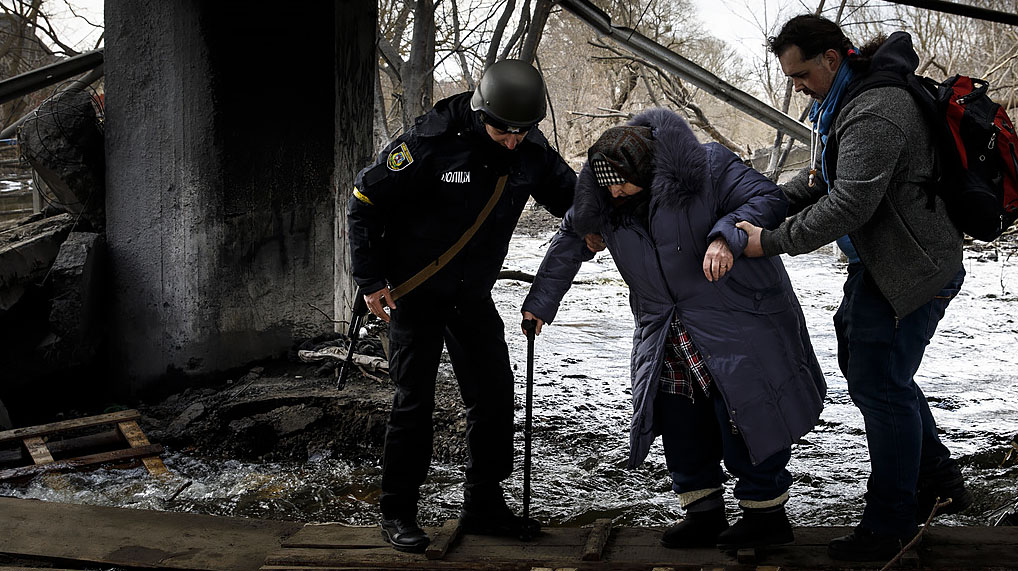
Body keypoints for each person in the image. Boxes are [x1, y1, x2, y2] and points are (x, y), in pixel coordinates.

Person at [521, 108, 826, 550]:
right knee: (680, 419)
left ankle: (766, 517)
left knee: (746, 413)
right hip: (664, 324)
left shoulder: (711, 166)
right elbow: (569, 239)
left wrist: (726, 236)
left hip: (735, 313)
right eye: (605, 185)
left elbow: (767, 199)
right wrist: (539, 305)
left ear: (649, 171)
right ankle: (703, 512)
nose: (614, 193)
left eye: (621, 184)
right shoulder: (604, 197)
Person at [735, 16, 972, 562]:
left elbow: (849, 203)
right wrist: (760, 203)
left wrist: (766, 242)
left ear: (833, 59)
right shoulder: (839, 105)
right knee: (879, 375)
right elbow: (820, 179)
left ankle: (889, 525)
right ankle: (937, 480)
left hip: (912, 271)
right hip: (880, 267)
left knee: (881, 386)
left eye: (800, 76)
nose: (796, 87)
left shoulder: (876, 109)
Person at [347, 59, 577, 553]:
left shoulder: (529, 150)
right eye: (503, 131)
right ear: (481, 111)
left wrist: (606, 215)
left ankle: (483, 503)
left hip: (472, 295)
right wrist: (370, 280)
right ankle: (398, 512)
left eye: (523, 132)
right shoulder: (429, 142)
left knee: (494, 396)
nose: (513, 140)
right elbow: (364, 202)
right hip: (417, 294)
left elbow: (575, 201)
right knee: (414, 402)